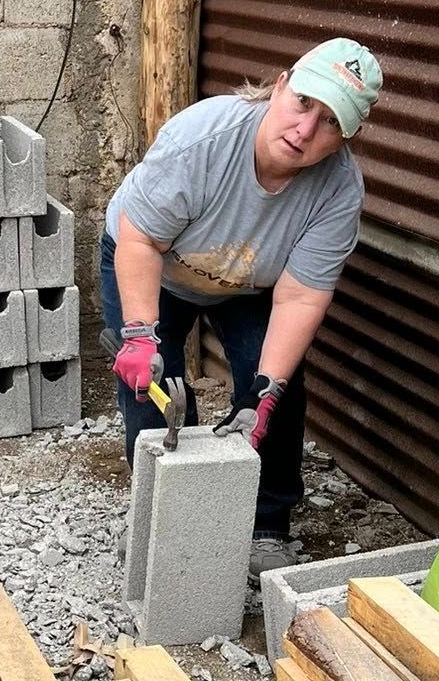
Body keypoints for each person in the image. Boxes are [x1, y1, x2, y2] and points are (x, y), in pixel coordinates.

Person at [100, 37, 383, 571]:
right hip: (152, 258)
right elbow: (141, 241)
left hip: (246, 285)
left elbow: (300, 295)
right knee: (148, 388)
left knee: (273, 384)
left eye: (329, 122)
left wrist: (265, 391)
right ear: (280, 87)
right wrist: (139, 335)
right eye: (303, 103)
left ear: (349, 135)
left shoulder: (338, 192)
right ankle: (159, 519)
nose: (304, 130)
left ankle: (267, 522)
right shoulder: (203, 139)